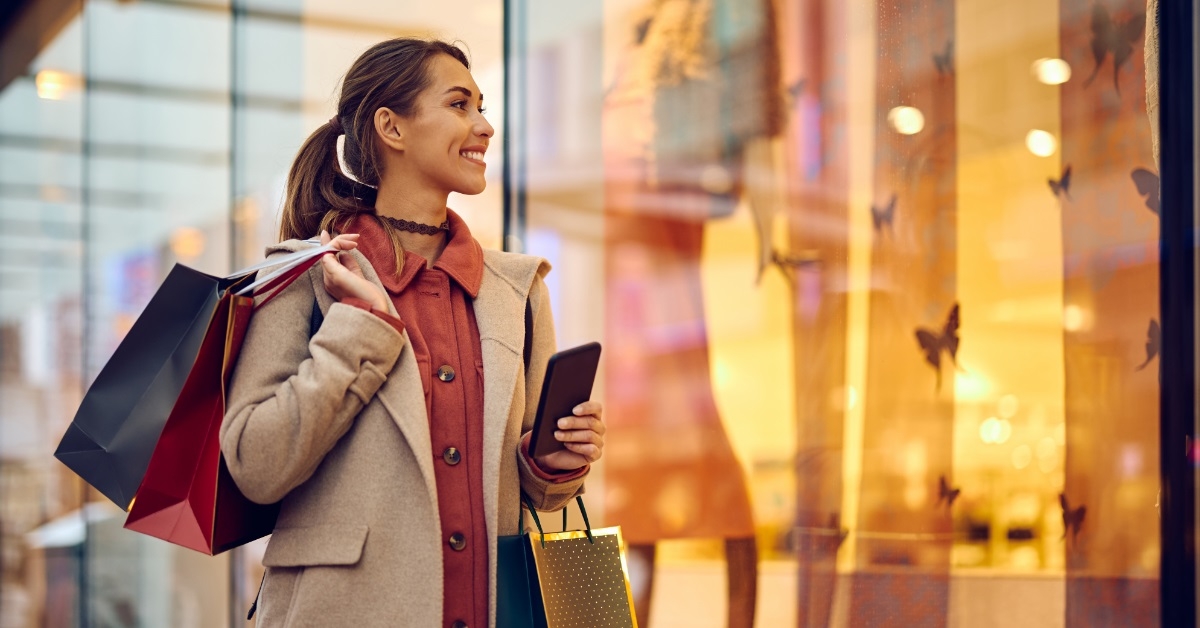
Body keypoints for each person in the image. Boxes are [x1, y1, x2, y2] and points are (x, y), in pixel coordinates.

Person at [219, 38, 605, 628]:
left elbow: (535, 492)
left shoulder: (519, 291)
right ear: (391, 127)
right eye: (458, 105)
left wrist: (555, 457)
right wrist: (360, 330)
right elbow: (257, 463)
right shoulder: (307, 275)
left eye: (481, 107)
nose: (484, 127)